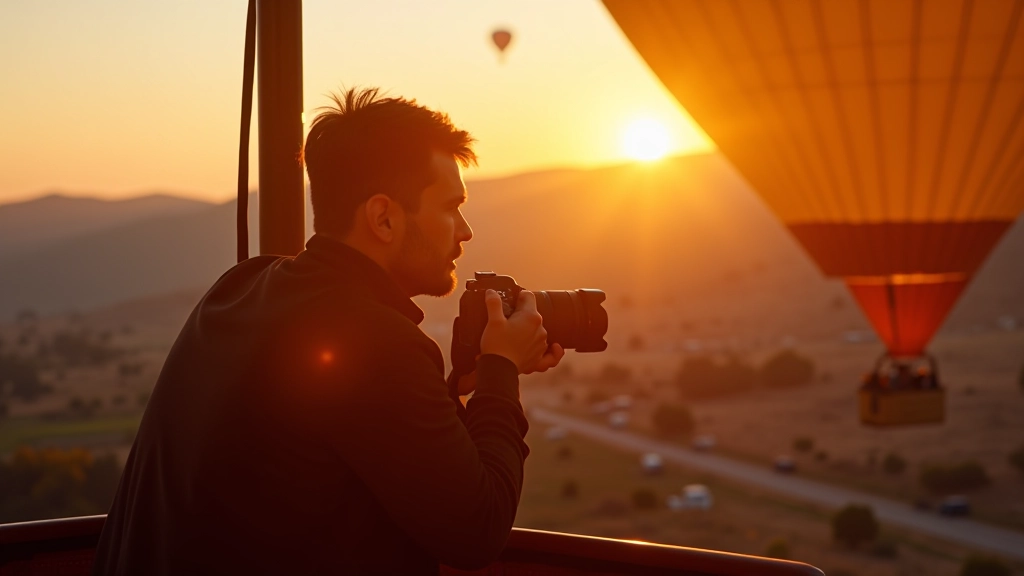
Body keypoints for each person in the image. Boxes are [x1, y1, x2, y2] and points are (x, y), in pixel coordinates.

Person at [92, 87, 564, 575]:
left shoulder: (240, 286)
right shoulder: (376, 341)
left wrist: (454, 391)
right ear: (383, 217)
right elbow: (477, 531)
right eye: (449, 207)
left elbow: (334, 438)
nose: (465, 230)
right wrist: (501, 372)